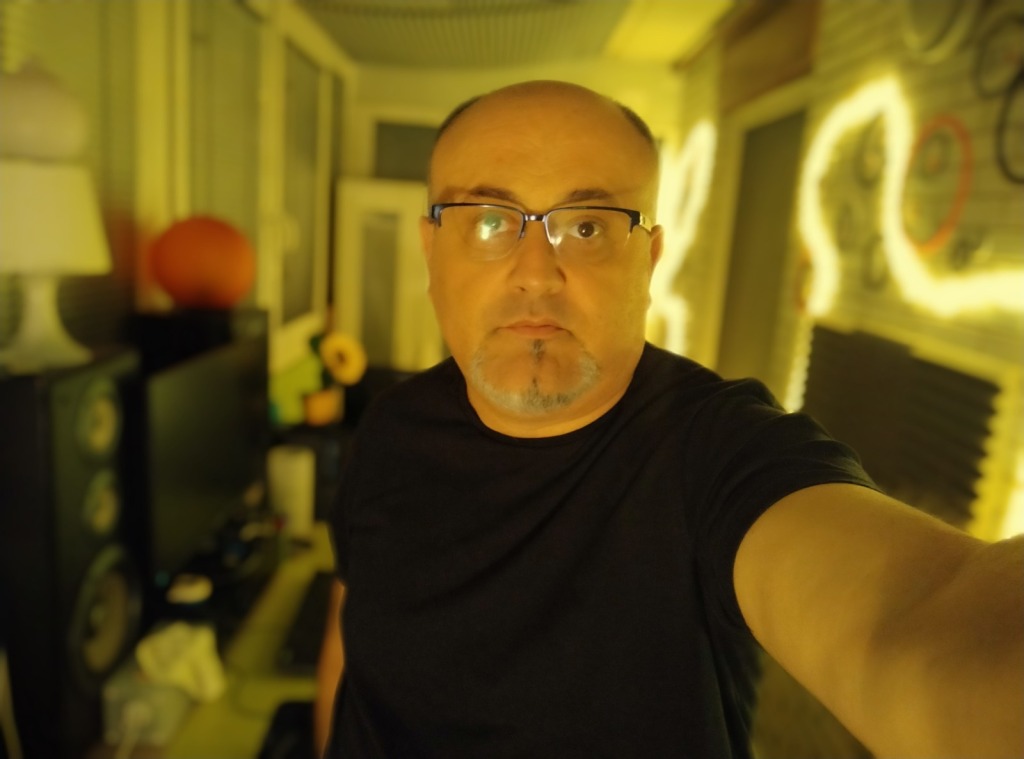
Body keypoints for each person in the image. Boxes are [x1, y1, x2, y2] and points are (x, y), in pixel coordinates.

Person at [315, 80, 1023, 758]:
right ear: (431, 250)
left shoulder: (719, 453)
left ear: (648, 260)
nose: (536, 272)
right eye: (490, 221)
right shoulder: (388, 424)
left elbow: (919, 622)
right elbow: (351, 633)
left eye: (586, 226)